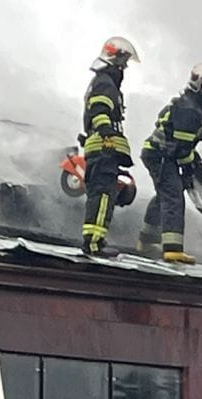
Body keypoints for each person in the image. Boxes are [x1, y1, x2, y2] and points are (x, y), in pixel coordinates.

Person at [139, 62, 202, 263]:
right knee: (173, 195)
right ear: (197, 84)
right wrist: (189, 168)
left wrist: (196, 165)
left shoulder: (193, 104)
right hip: (161, 155)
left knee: (163, 195)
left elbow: (185, 145)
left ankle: (147, 240)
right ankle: (173, 249)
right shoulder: (190, 108)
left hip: (160, 154)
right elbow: (182, 148)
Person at [80, 35, 139, 256]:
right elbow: (99, 110)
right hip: (104, 148)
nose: (124, 68)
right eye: (123, 62)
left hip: (103, 149)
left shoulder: (104, 82)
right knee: (104, 195)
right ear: (114, 60)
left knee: (102, 195)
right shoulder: (105, 82)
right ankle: (94, 243)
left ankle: (95, 241)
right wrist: (107, 134)